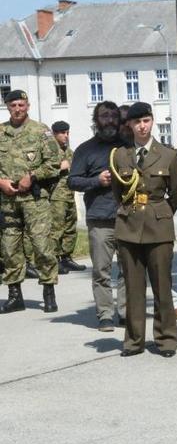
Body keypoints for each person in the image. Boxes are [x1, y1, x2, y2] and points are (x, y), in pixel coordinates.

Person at [108, 102, 177, 356]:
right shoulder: (120, 155)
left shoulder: (169, 155)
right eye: (137, 121)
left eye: (146, 120)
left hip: (158, 227)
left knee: (162, 286)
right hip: (128, 226)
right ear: (129, 124)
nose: (142, 126)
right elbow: (118, 192)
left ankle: (166, 340)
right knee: (133, 287)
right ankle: (133, 341)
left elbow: (175, 192)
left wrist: (158, 213)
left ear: (152, 122)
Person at [0, 89, 62, 313]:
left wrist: (32, 176)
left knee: (42, 246)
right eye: (13, 105)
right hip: (8, 200)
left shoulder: (40, 131)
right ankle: (15, 295)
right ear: (7, 106)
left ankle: (48, 292)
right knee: (8, 249)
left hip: (34, 199)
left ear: (28, 106)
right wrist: (1, 182)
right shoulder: (1, 131)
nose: (17, 109)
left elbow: (54, 163)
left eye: (21, 105)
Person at [68, 101, 126, 331]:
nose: (110, 120)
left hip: (126, 217)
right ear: (96, 120)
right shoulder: (86, 149)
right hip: (99, 218)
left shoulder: (127, 146)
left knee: (128, 270)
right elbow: (72, 180)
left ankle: (125, 312)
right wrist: (96, 181)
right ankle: (104, 314)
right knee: (101, 270)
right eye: (104, 116)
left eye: (113, 116)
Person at [48, 121, 84, 274]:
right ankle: (54, 260)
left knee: (70, 227)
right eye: (62, 133)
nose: (66, 136)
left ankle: (66, 257)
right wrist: (58, 166)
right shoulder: (49, 151)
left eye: (67, 133)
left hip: (69, 194)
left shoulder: (69, 151)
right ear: (55, 134)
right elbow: (41, 170)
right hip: (56, 196)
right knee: (56, 229)